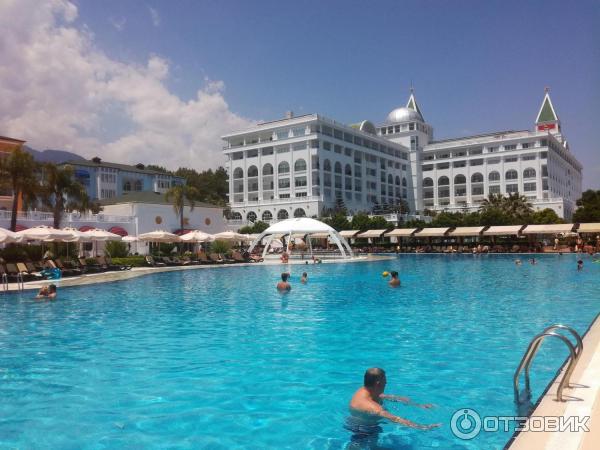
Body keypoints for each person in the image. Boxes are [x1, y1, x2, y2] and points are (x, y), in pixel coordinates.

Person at [347, 367, 439, 439]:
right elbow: (395, 419)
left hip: (364, 424)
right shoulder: (373, 406)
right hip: (363, 430)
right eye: (385, 383)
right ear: (378, 384)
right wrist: (423, 427)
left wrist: (418, 405)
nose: (385, 384)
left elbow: (381, 396)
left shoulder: (366, 390)